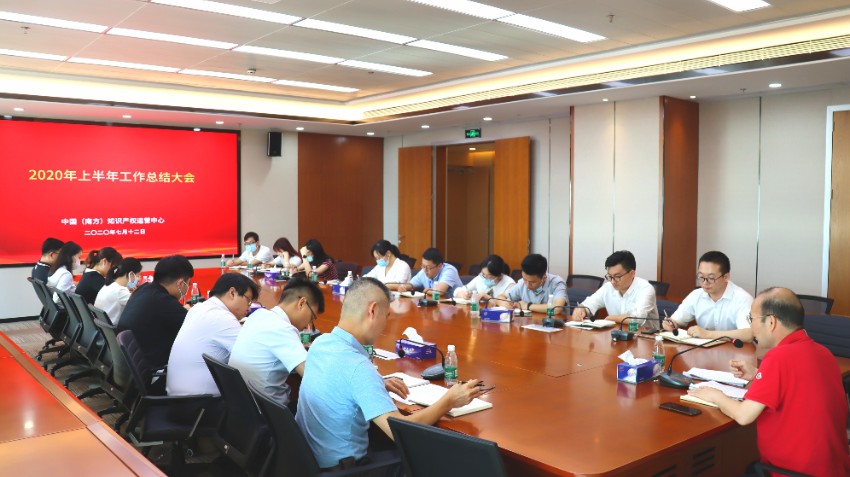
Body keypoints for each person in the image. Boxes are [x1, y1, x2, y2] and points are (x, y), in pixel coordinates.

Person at [296, 278, 482, 471]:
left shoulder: (321, 343)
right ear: (373, 310)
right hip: (346, 470)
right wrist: (449, 401)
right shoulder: (358, 367)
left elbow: (336, 381)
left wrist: (376, 383)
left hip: (309, 460)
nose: (386, 324)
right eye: (386, 316)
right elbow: (401, 432)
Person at [688, 288, 850, 477]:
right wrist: (759, 374)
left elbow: (744, 416)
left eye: (752, 319)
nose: (752, 328)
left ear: (771, 322)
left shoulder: (778, 357)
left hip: (792, 472)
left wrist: (716, 395)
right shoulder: (824, 353)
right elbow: (801, 385)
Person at [229, 277, 324, 410]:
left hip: (241, 407)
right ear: (302, 303)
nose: (307, 326)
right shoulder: (283, 328)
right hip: (269, 413)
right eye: (311, 318)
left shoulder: (258, 315)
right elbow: (312, 377)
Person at [167, 273, 259, 396]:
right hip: (200, 402)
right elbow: (254, 356)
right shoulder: (221, 317)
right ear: (232, 293)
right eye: (248, 300)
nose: (249, 308)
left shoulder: (199, 308)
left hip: (179, 396)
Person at [118, 255, 194, 369]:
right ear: (180, 283)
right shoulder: (164, 301)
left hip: (132, 367)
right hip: (155, 370)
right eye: (189, 283)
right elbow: (194, 329)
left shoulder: (143, 290)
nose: (188, 287)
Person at [662, 251, 754, 342]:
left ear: (726, 277)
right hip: (703, 349)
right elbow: (676, 320)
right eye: (701, 277)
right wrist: (671, 324)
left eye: (711, 278)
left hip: (734, 349)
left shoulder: (743, 298)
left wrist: (708, 334)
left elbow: (748, 334)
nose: (705, 283)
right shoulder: (696, 295)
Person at [571, 250, 658, 326]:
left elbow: (637, 319)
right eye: (610, 276)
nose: (612, 281)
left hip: (644, 337)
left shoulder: (645, 289)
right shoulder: (608, 287)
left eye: (617, 276)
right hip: (617, 335)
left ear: (632, 273)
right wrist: (581, 309)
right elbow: (589, 303)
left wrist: (611, 318)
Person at [497, 253, 566, 313]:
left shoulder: (557, 283)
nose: (527, 285)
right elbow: (500, 297)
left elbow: (557, 308)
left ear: (544, 277)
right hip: (529, 321)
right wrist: (504, 303)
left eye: (532, 282)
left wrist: (528, 306)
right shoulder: (522, 283)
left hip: (554, 322)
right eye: (525, 279)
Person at [94, 257, 142, 325]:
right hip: (115, 329)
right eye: (138, 275)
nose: (139, 279)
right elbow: (142, 305)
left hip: (104, 328)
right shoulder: (120, 291)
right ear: (131, 274)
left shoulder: (109, 286)